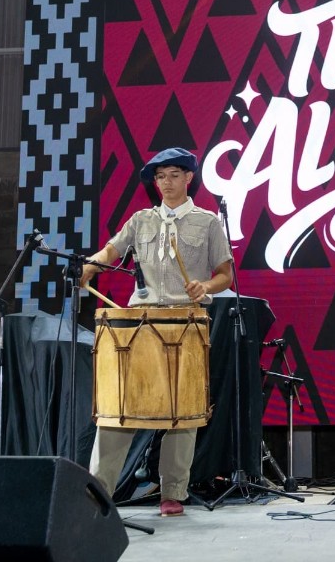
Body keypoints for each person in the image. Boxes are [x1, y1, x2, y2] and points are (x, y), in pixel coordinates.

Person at [81, 147, 233, 517]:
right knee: (120, 408)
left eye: (174, 175)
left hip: (187, 321)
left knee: (183, 413)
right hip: (140, 322)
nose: (166, 183)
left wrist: (205, 286)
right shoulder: (141, 220)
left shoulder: (208, 223)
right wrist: (91, 265)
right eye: (160, 177)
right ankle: (98, 492)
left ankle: (173, 492)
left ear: (189, 178)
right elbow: (111, 250)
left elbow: (225, 275)